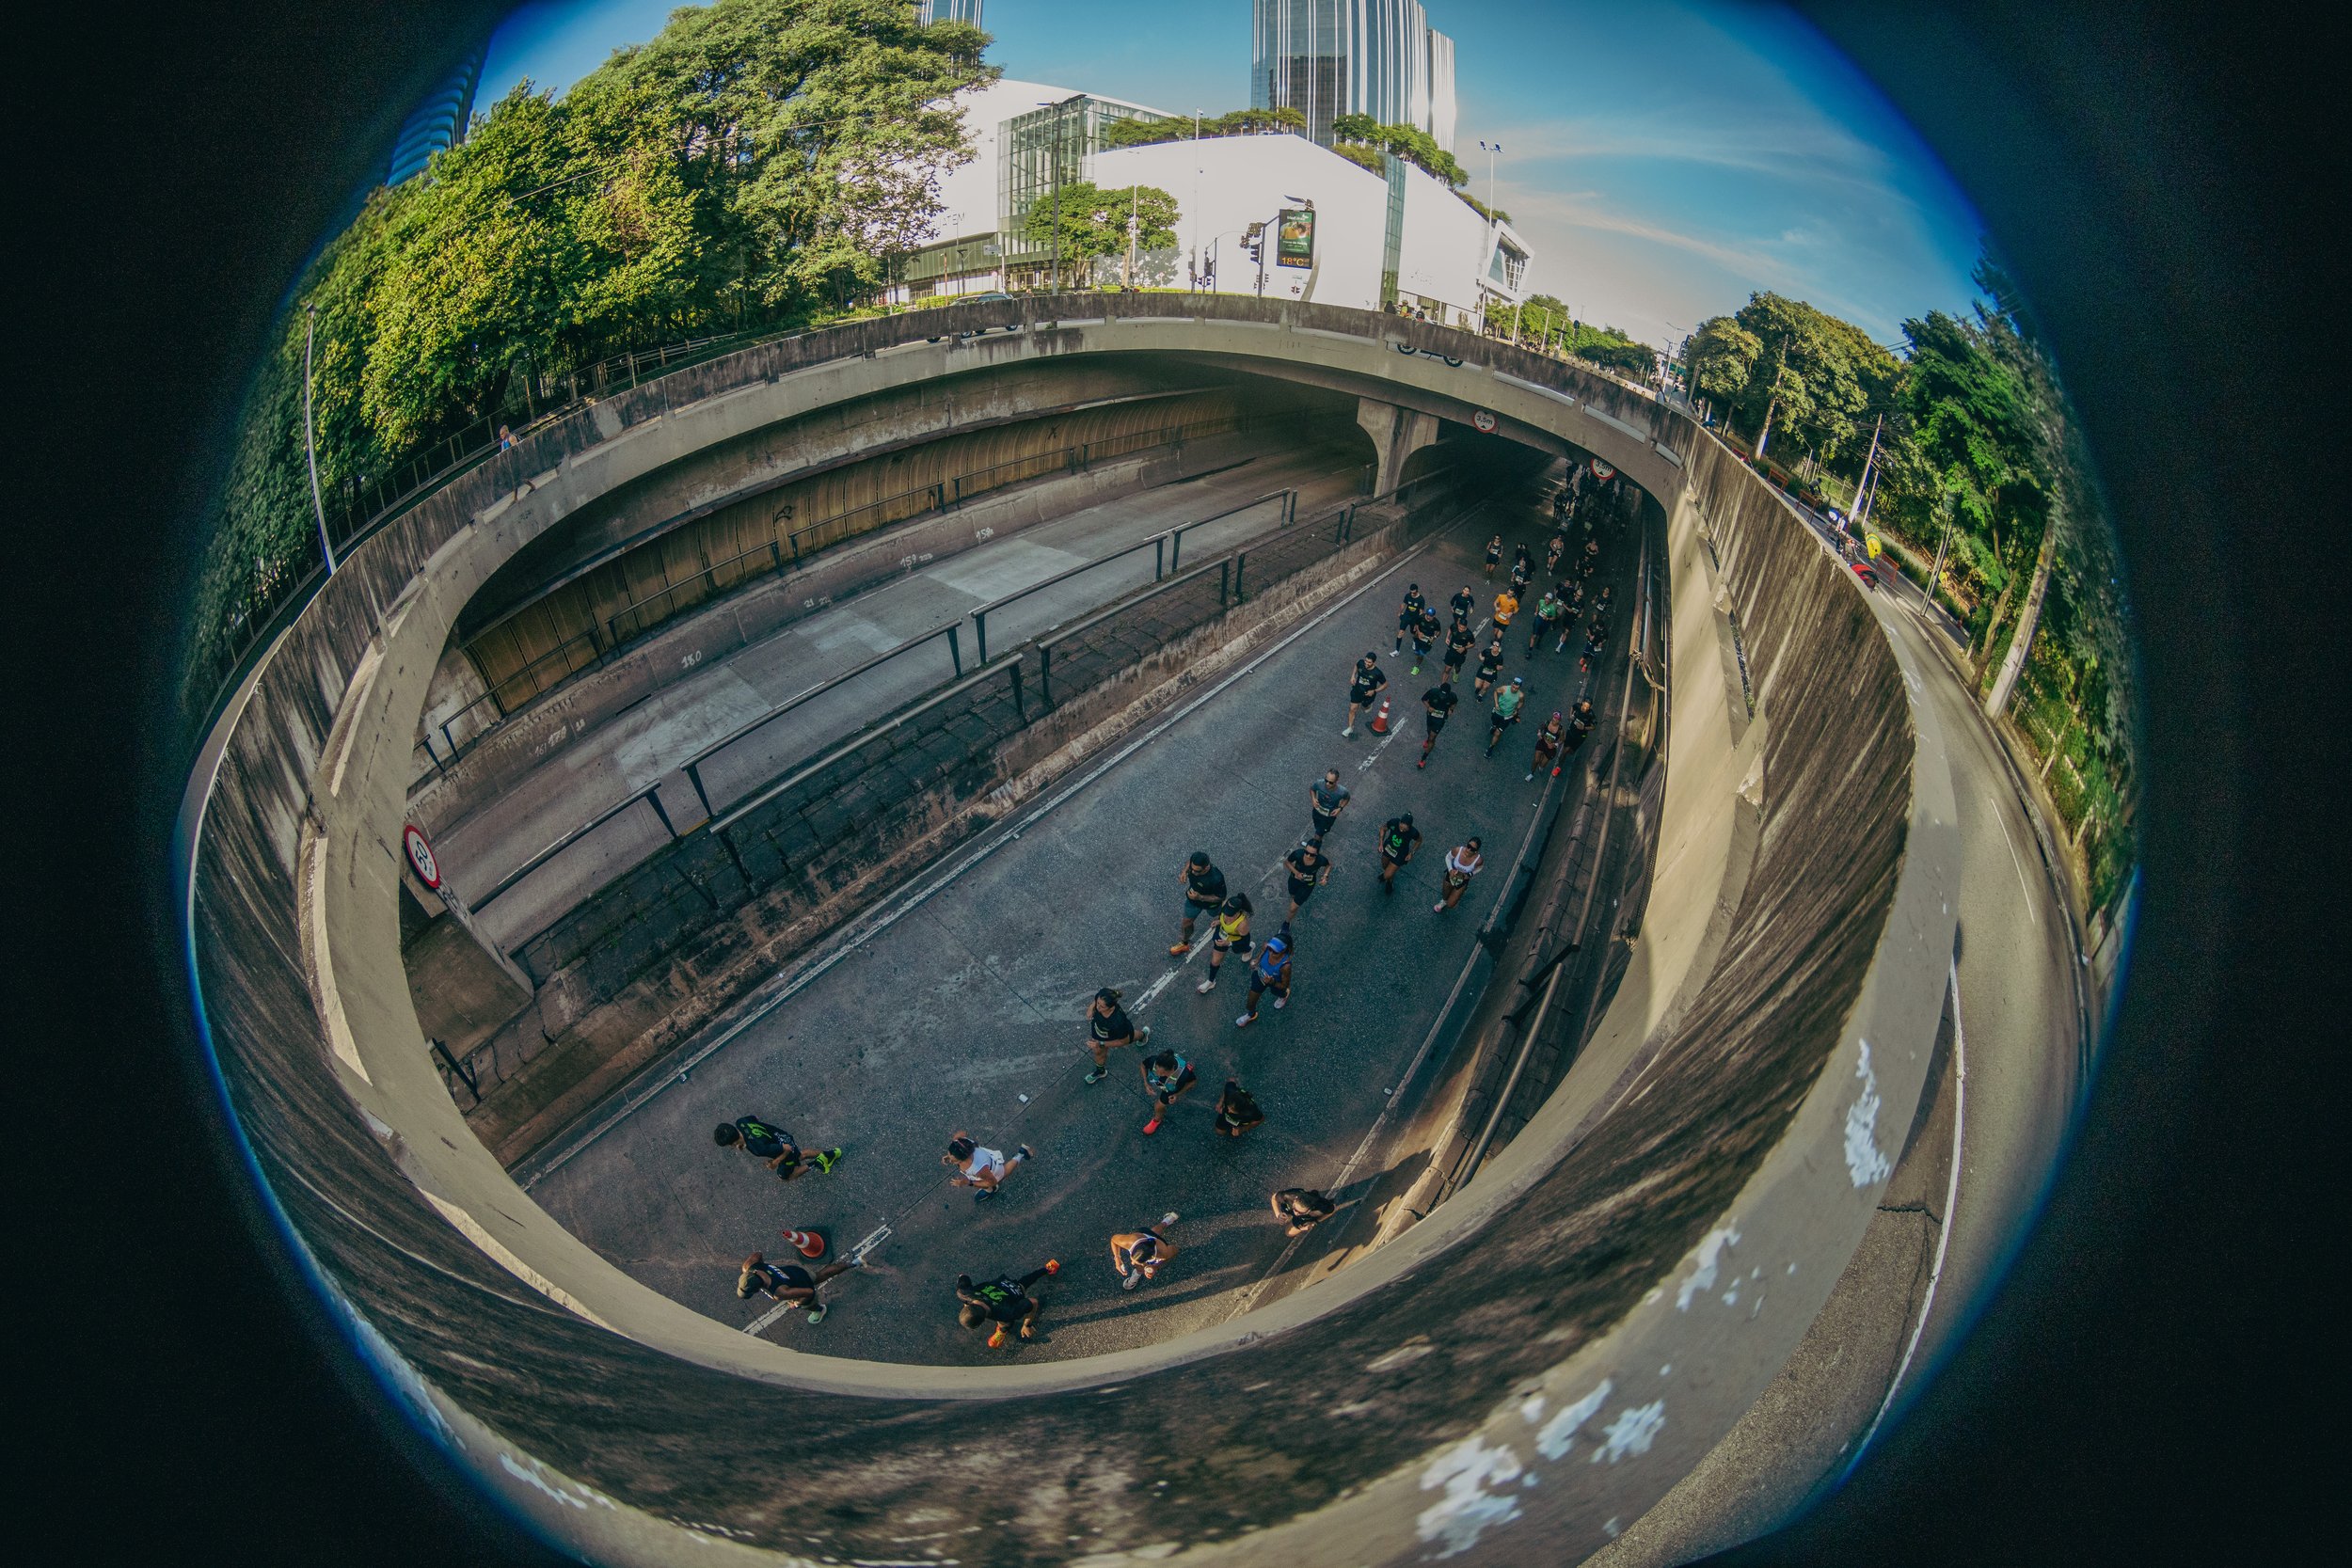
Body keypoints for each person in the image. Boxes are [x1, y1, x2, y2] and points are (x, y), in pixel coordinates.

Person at [737, 1251, 861, 1325]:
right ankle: (853, 1263)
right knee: (820, 1275)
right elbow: (758, 1254)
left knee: (809, 1304)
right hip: (796, 1271)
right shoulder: (749, 1266)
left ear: (757, 1289)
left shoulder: (779, 1292)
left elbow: (808, 1292)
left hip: (801, 1285)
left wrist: (797, 1304)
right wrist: (765, 1267)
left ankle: (819, 1310)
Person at [955, 1259, 1059, 1348]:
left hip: (1015, 1291)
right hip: (999, 1283)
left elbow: (1033, 1302)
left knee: (1005, 1322)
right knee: (1024, 1281)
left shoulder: (1007, 1312)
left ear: (983, 1320)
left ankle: (1002, 1331)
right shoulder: (964, 1293)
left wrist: (1027, 1325)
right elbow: (963, 1276)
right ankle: (1048, 1268)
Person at [714, 1117, 841, 1182]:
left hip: (784, 1149)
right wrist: (746, 1141)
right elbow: (756, 1120)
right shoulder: (741, 1122)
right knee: (800, 1154)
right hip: (782, 1136)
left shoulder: (757, 1148)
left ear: (733, 1142)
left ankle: (817, 1162)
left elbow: (787, 1149)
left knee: (785, 1177)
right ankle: (832, 1153)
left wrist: (775, 1162)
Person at [1083, 987, 1150, 1085]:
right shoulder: (1102, 998)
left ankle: (1143, 1035)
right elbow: (1096, 1001)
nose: (1098, 1007)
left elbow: (1123, 1041)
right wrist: (1091, 1007)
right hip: (1100, 1032)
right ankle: (1100, 1072)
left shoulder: (1118, 1022)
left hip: (1117, 1035)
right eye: (1098, 1003)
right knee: (1098, 1053)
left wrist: (1100, 1043)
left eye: (1102, 1007)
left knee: (1131, 1037)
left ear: (1111, 1007)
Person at [942, 1132, 1036, 1202]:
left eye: (954, 1160)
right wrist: (951, 1156)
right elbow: (963, 1133)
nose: (950, 1161)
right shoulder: (959, 1142)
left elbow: (992, 1181)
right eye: (949, 1156)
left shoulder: (979, 1169)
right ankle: (989, 1189)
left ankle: (1021, 1154)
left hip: (993, 1170)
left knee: (1003, 1174)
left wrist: (967, 1182)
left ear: (966, 1158)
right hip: (986, 1161)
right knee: (986, 1181)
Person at [1171, 851, 1228, 956]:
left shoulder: (1216, 878)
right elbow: (1189, 863)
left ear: (1206, 868)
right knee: (1186, 922)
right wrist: (1184, 872)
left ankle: (1223, 921)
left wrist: (1200, 897)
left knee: (1216, 914)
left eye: (1197, 871)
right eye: (1192, 869)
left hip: (1211, 904)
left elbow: (1221, 897)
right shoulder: (1194, 864)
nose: (1192, 872)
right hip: (1193, 900)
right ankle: (1185, 943)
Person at [1237, 924, 1292, 1027]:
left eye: (1274, 951)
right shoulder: (1267, 946)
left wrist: (1272, 982)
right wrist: (1256, 961)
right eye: (1270, 949)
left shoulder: (1285, 966)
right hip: (1259, 977)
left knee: (1280, 992)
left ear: (1284, 950)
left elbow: (1284, 985)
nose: (1270, 952)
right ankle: (1251, 1014)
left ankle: (1284, 996)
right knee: (1250, 1002)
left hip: (1275, 982)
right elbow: (1262, 953)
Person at [1196, 893, 1253, 991]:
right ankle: (1211, 981)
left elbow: (1244, 940)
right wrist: (1219, 921)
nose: (1226, 915)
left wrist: (1229, 943)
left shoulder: (1242, 924)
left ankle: (1250, 949)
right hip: (1222, 935)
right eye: (1225, 912)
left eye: (1230, 914)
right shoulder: (1225, 903)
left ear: (1238, 912)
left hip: (1235, 940)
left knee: (1244, 947)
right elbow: (1221, 915)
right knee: (1215, 961)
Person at [1110, 1214, 1181, 1290]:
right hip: (1143, 1235)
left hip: (1156, 1243)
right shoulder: (1130, 1241)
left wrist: (1155, 1267)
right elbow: (1114, 1240)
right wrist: (1117, 1257)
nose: (1132, 1263)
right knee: (1153, 1232)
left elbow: (1175, 1250)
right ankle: (1166, 1222)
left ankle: (1136, 1276)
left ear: (1151, 1258)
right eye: (1133, 1258)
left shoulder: (1163, 1253)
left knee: (1140, 1267)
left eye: (1136, 1261)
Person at [1138, 1050, 1199, 1134]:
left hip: (1171, 1089)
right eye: (1156, 1071)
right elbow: (1143, 1065)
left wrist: (1177, 1094)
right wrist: (1146, 1083)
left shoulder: (1183, 1074)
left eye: (1162, 1073)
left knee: (1158, 1106)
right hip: (1165, 1085)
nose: (1159, 1075)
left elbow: (1193, 1082)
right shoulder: (1153, 1061)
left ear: (1173, 1069)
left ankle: (1157, 1120)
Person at [1342, 652, 1388, 738]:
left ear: (1374, 662)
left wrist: (1374, 691)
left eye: (1369, 662)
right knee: (1352, 709)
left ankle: (1367, 705)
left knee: (1365, 707)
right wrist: (1353, 676)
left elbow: (1385, 685)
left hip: (1368, 694)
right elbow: (1356, 665)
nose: (1366, 663)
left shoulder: (1377, 673)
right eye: (1366, 661)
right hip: (1358, 689)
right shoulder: (1361, 663)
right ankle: (1350, 728)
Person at [1435, 836, 1485, 913]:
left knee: (1450, 905)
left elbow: (1480, 867)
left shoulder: (1478, 860)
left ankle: (1457, 894)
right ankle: (1443, 902)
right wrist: (1450, 869)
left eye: (1473, 849)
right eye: (1469, 846)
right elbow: (1448, 857)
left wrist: (1470, 874)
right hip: (1451, 876)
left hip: (1462, 880)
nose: (1469, 850)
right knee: (1445, 895)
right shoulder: (1458, 850)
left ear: (1476, 851)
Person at [1283, 838, 1330, 919]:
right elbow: (1287, 862)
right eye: (1306, 852)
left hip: (1308, 885)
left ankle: (1287, 923)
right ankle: (1295, 898)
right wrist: (1296, 873)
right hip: (1293, 880)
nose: (1308, 856)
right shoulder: (1298, 854)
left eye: (1312, 855)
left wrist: (1325, 876)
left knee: (1292, 908)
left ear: (1317, 854)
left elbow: (1328, 865)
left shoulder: (1320, 860)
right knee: (1292, 894)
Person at [1418, 678, 1459, 768]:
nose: (1443, 697)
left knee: (1433, 737)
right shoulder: (1433, 692)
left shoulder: (1452, 696)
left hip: (1440, 720)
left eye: (1445, 696)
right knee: (1429, 731)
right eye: (1441, 695)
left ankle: (1423, 759)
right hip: (1430, 716)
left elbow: (1455, 702)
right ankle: (1428, 739)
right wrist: (1428, 707)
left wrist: (1451, 709)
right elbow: (1424, 699)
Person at [1376, 812, 1422, 894]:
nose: (1401, 830)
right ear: (1399, 822)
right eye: (1400, 827)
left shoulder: (1413, 832)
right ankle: (1389, 880)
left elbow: (1419, 840)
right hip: (1388, 848)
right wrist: (1380, 843)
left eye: (1404, 829)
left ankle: (1388, 880)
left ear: (1410, 827)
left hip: (1400, 854)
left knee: (1387, 875)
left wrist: (1412, 853)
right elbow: (1383, 828)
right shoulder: (1394, 822)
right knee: (1384, 866)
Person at [1486, 676, 1528, 757]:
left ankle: (1490, 748)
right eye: (1513, 687)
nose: (1514, 689)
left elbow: (1521, 702)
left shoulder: (1521, 695)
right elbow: (1495, 691)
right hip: (1497, 712)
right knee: (1494, 723)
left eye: (1516, 688)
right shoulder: (1504, 688)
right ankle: (1494, 726)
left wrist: (1516, 709)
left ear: (1519, 688)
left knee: (1498, 733)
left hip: (1507, 716)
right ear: (1512, 684)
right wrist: (1496, 704)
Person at [1270, 1189, 1339, 1237]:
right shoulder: (1288, 1196)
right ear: (1295, 1200)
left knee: (1288, 1233)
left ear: (1310, 1211)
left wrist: (1316, 1221)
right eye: (1295, 1209)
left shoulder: (1320, 1207)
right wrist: (1278, 1214)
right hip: (1290, 1210)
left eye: (1300, 1212)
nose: (1296, 1213)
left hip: (1305, 1219)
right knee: (1286, 1217)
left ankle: (1296, 1220)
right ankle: (1291, 1215)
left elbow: (1333, 1208)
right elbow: (1274, 1198)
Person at [1308, 768, 1352, 840]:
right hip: (1316, 811)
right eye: (1326, 780)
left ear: (1337, 781)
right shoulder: (1319, 783)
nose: (1327, 784)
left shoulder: (1342, 791)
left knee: (1318, 835)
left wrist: (1340, 808)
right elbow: (1312, 789)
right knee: (1317, 825)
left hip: (1329, 816)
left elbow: (1347, 798)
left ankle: (1315, 846)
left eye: (1331, 782)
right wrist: (1313, 798)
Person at [1529, 711, 1566, 781]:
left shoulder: (1560, 730)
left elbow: (1562, 739)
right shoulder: (1547, 722)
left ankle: (1541, 767)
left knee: (1542, 764)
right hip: (1543, 742)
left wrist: (1555, 744)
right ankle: (1531, 773)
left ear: (1559, 720)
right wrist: (1539, 733)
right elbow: (1540, 727)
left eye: (1557, 719)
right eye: (1554, 718)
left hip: (1551, 748)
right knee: (1536, 760)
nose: (1555, 720)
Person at [1407, 603, 1442, 675]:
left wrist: (1434, 637)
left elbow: (1439, 631)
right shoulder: (1421, 617)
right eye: (1427, 615)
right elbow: (1416, 625)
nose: (1428, 617)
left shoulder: (1436, 622)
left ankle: (1416, 667)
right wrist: (1419, 632)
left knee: (1421, 654)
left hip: (1427, 639)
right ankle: (1417, 650)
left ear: (1434, 616)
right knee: (1417, 651)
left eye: (1431, 616)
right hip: (1419, 637)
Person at [1392, 583, 1427, 655]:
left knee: (1413, 632)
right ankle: (1397, 651)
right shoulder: (1408, 596)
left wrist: (1418, 623)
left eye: (1414, 593)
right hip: (1406, 616)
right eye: (1411, 592)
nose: (1412, 594)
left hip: (1415, 619)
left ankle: (1414, 641)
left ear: (1417, 591)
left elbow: (1421, 612)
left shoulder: (1421, 599)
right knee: (1401, 632)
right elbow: (1403, 604)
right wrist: (1400, 612)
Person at [1440, 617, 1476, 685]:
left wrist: (1464, 648)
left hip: (1461, 654)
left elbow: (1473, 644)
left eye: (1463, 628)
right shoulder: (1454, 626)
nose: (1461, 629)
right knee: (1447, 669)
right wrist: (1447, 637)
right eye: (1460, 627)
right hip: (1451, 651)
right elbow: (1450, 629)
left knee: (1457, 668)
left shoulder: (1469, 634)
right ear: (1458, 624)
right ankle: (1443, 684)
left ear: (1466, 627)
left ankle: (1456, 673)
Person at [1472, 636, 1507, 701]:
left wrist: (1499, 668)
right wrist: (1481, 657)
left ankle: (1480, 695)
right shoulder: (1487, 651)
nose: (1494, 646)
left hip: (1492, 672)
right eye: (1494, 645)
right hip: (1483, 669)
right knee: (1477, 686)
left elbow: (1501, 666)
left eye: (1496, 645)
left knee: (1485, 686)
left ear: (1499, 648)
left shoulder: (1500, 657)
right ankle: (1479, 688)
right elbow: (1481, 654)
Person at [1532, 589, 1565, 654]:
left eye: (1549, 599)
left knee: (1541, 634)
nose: (1547, 600)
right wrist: (1536, 611)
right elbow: (1538, 604)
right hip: (1538, 619)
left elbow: (1554, 617)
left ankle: (1539, 641)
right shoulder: (1541, 601)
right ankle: (1531, 646)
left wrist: (1547, 618)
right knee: (1534, 633)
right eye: (1546, 598)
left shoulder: (1552, 608)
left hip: (1546, 623)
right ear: (1544, 597)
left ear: (1551, 600)